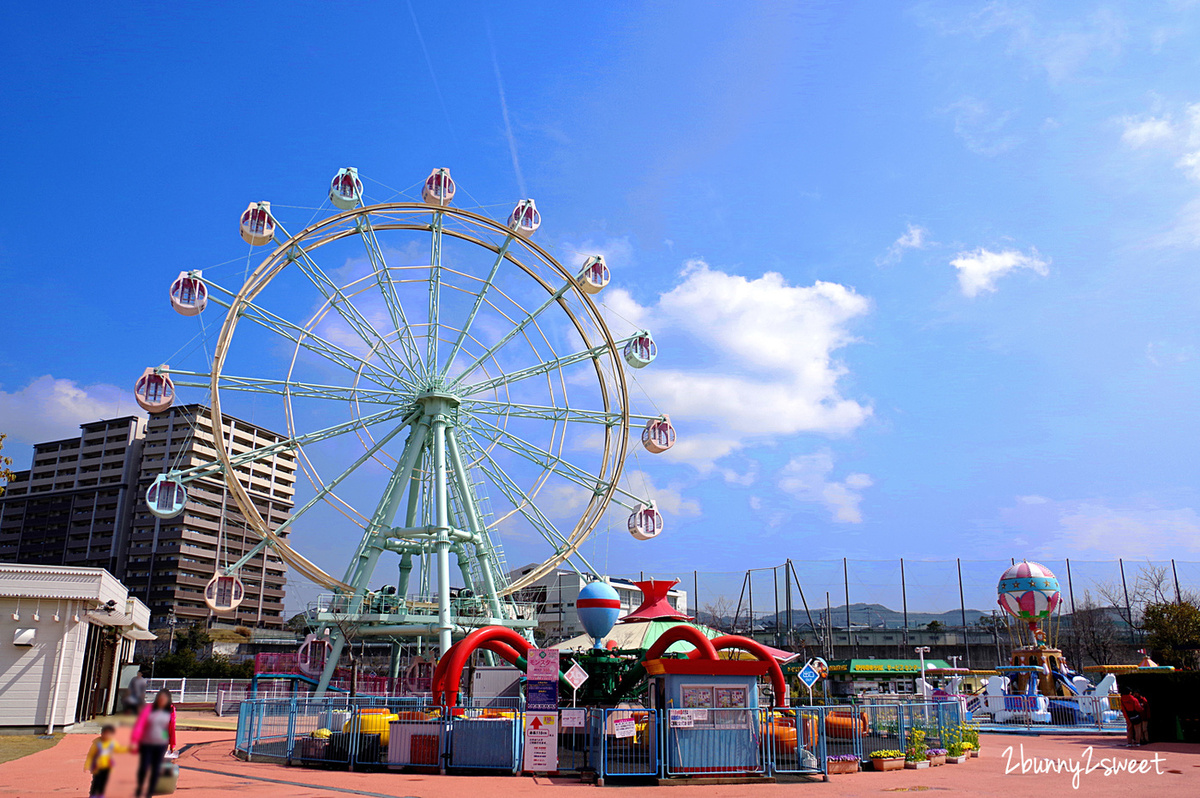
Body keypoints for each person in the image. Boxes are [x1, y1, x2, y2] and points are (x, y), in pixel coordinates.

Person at [132, 689, 177, 797]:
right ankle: (140, 786)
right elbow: (140, 724)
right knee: (144, 766)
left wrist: (172, 744)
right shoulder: (149, 709)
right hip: (146, 742)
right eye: (160, 698)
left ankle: (150, 791)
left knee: (156, 767)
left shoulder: (171, 710)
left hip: (161, 743)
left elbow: (171, 728)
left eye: (165, 699)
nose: (162, 701)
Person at [84, 724, 127, 798]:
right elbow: (91, 755)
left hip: (107, 766)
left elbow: (118, 749)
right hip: (97, 766)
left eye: (109, 734)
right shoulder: (97, 743)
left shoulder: (112, 743)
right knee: (96, 781)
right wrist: (87, 765)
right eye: (105, 733)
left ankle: (101, 794)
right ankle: (93, 794)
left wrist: (128, 749)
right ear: (101, 734)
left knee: (103, 782)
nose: (106, 736)